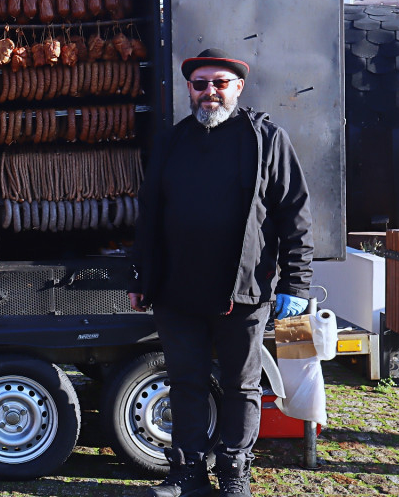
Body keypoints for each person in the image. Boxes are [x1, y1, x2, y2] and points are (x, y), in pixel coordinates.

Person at [128, 48, 314, 497]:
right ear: (189, 90)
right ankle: (188, 475)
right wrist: (140, 278)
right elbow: (150, 214)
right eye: (200, 84)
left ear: (238, 88)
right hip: (176, 292)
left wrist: (296, 284)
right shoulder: (172, 141)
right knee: (185, 383)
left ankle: (234, 475)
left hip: (243, 291)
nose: (209, 91)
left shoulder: (267, 139)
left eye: (220, 83)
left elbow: (296, 216)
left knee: (241, 385)